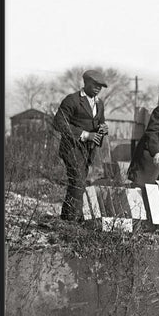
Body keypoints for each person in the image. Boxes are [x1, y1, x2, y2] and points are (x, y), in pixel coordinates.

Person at [53, 69, 109, 222]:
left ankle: (67, 218)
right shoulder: (72, 100)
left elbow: (100, 122)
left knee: (78, 182)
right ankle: (72, 221)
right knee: (78, 181)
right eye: (95, 84)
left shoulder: (100, 103)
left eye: (100, 86)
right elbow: (58, 123)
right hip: (71, 148)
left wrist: (103, 128)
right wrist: (85, 134)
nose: (98, 88)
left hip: (88, 150)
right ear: (86, 83)